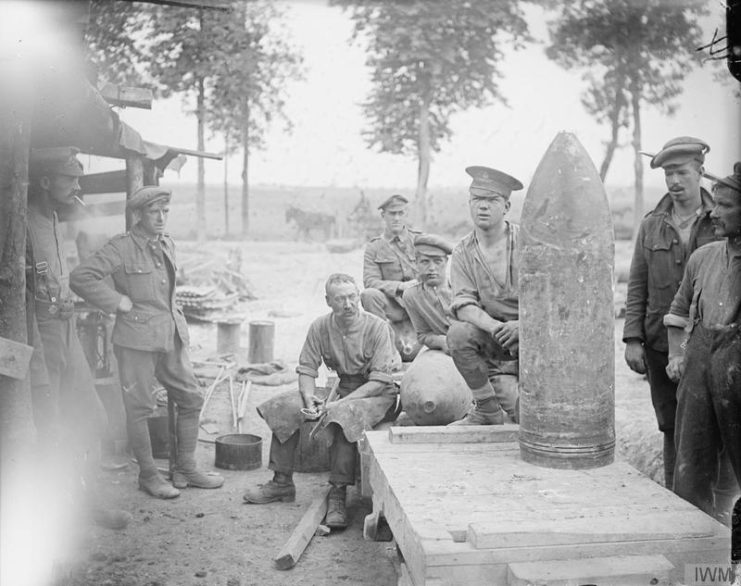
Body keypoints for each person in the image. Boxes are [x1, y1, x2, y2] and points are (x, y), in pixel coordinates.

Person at [70, 185, 224, 499]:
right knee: (139, 408)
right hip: (136, 340)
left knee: (191, 398)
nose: (160, 218)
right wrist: (116, 301)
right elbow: (81, 277)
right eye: (154, 212)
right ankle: (149, 475)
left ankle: (186, 467)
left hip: (170, 335)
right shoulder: (121, 247)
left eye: (165, 211)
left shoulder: (167, 243)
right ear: (139, 214)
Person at [243, 273, 400, 528]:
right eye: (340, 299)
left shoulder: (377, 327)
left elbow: (380, 380)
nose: (348, 304)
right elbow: (306, 369)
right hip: (342, 387)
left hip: (375, 394)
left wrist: (339, 404)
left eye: (352, 297)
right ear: (328, 301)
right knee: (284, 408)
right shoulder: (320, 327)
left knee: (342, 415)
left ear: (358, 296)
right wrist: (309, 397)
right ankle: (281, 483)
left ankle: (338, 492)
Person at [26, 146, 130, 529]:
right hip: (38, 339)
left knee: (91, 416)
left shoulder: (53, 218)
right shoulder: (19, 226)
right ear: (45, 181)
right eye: (70, 179)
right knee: (47, 428)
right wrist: (36, 361)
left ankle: (86, 502)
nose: (77, 185)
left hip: (65, 331)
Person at [622, 136, 717, 489]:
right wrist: (632, 338)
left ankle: (710, 503)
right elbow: (637, 284)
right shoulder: (652, 225)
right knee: (670, 423)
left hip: (710, 342)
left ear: (700, 172)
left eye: (681, 173)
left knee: (710, 423)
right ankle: (676, 496)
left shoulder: (720, 221)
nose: (675, 182)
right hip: (659, 343)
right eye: (668, 175)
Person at [664, 163, 741, 524]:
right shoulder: (703, 258)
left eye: (725, 205)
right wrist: (677, 354)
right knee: (692, 462)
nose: (714, 212)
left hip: (735, 371)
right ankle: (695, 550)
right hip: (698, 366)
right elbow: (678, 312)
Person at [446, 166, 522, 425]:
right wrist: (496, 327)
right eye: (477, 200)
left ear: (506, 206)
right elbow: (463, 304)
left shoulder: (528, 243)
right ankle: (487, 409)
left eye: (492, 200)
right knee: (458, 334)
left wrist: (523, 326)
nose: (483, 207)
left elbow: (552, 300)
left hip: (535, 338)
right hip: (496, 339)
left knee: (532, 418)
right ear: (469, 204)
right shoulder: (463, 252)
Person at [360, 194, 419, 323]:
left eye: (400, 213)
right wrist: (400, 286)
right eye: (392, 214)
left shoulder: (419, 241)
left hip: (421, 303)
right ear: (383, 216)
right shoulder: (374, 247)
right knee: (369, 295)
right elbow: (371, 282)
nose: (397, 218)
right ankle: (382, 337)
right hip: (395, 307)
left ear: (406, 214)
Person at [402, 234, 454, 353]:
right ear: (416, 263)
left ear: (446, 261)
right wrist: (441, 341)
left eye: (437, 261)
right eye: (425, 262)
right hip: (443, 350)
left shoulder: (464, 286)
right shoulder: (411, 296)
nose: (432, 268)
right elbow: (423, 334)